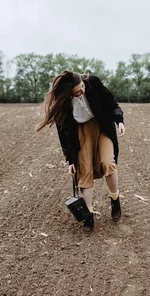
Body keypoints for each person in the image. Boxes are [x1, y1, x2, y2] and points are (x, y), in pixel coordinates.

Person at [36, 70, 125, 233]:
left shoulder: (93, 82)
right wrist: (70, 159)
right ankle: (88, 215)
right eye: (77, 92)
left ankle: (115, 199)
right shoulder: (63, 104)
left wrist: (119, 120)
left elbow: (110, 102)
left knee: (107, 162)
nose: (82, 91)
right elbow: (63, 133)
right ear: (68, 93)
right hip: (81, 133)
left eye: (82, 87)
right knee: (84, 172)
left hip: (102, 127)